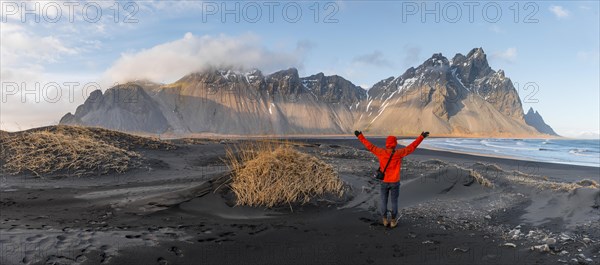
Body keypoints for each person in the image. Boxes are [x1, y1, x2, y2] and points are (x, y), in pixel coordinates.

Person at [354, 130, 429, 228]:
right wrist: (421, 137)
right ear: (395, 143)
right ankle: (393, 221)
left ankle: (385, 220)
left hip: (385, 181)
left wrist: (360, 136)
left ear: (387, 143)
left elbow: (369, 146)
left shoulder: (381, 152)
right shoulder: (399, 153)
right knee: (394, 202)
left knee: (383, 201)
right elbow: (412, 147)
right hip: (395, 182)